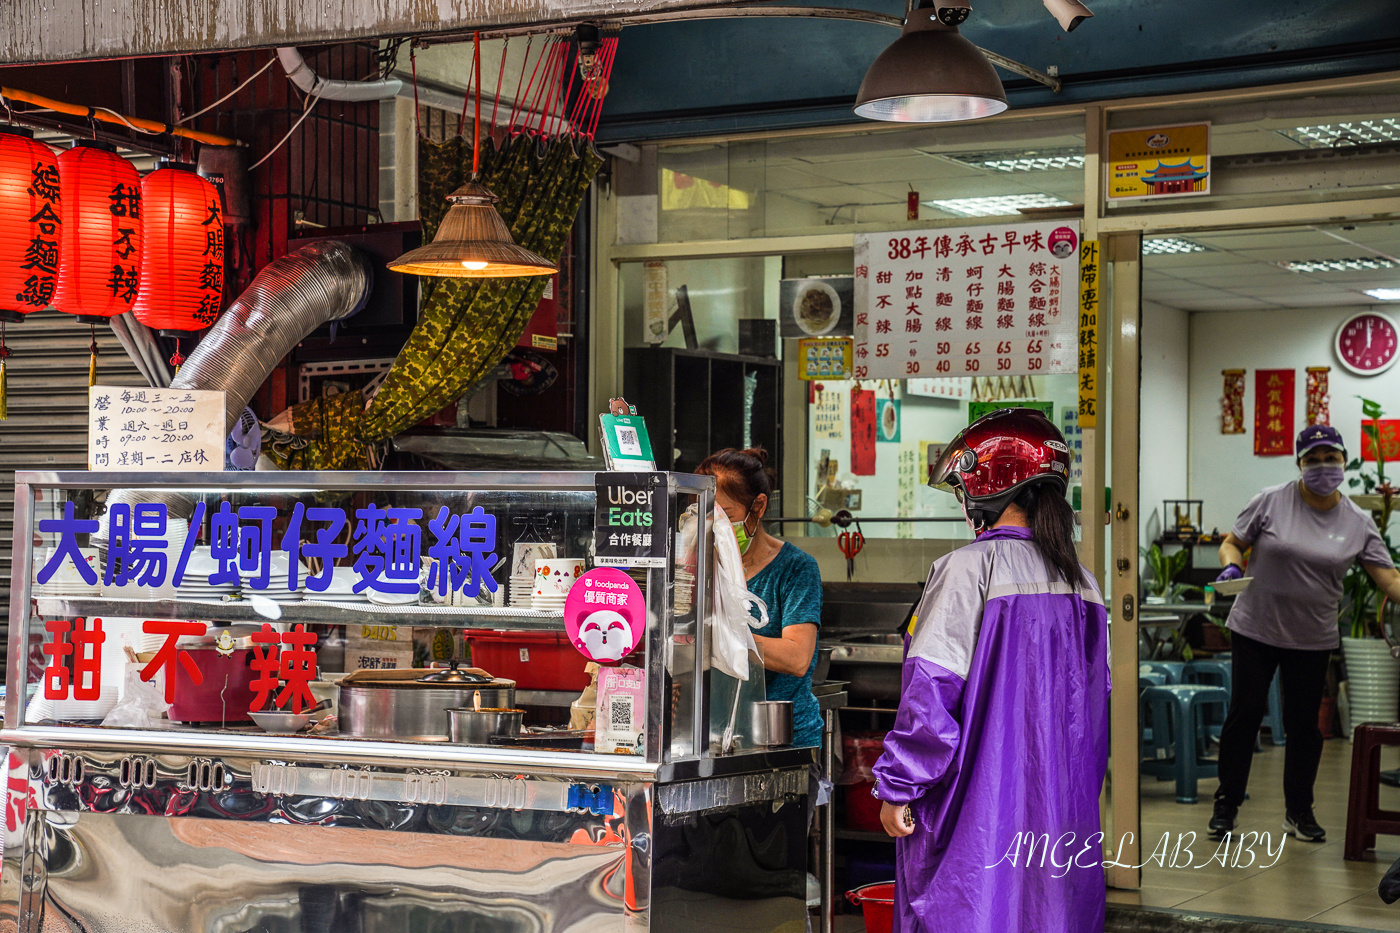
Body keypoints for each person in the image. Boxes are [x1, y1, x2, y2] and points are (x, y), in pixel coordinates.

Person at [871, 408, 1110, 933]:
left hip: (976, 813)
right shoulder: (1083, 583)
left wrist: (898, 787)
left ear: (987, 486)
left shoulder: (964, 570)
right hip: (1060, 812)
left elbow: (930, 697)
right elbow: (1095, 714)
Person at [1209, 424, 1400, 841]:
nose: (1322, 466)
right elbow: (1233, 541)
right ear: (1299, 463)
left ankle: (1298, 811)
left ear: (1344, 461)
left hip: (1311, 638)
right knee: (1244, 715)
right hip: (1255, 628)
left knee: (1304, 727)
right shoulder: (1271, 500)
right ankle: (1227, 804)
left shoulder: (1358, 521)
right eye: (1312, 459)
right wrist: (1231, 565)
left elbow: (1387, 577)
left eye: (1330, 458)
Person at [697, 447, 824, 747]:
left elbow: (797, 658)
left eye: (727, 517)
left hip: (782, 737)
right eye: (707, 516)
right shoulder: (699, 566)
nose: (719, 529)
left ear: (759, 506)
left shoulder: (795, 568)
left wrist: (726, 638)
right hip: (714, 736)